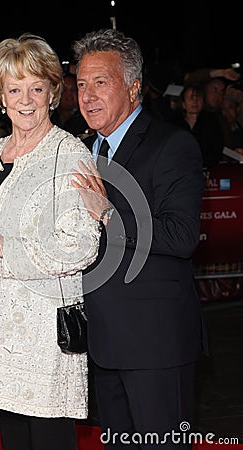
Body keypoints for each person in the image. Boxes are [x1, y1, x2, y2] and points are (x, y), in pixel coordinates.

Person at [0, 33, 101, 450]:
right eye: (15, 89)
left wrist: (3, 246)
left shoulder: (68, 155)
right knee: (12, 441)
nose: (26, 99)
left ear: (52, 92)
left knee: (49, 440)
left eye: (36, 87)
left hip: (43, 338)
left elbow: (82, 245)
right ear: (0, 95)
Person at [70, 29, 208, 449]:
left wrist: (109, 213)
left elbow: (181, 236)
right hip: (102, 342)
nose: (87, 95)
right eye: (80, 84)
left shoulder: (172, 145)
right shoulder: (81, 152)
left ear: (133, 87)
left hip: (155, 345)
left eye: (100, 82)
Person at [170, 84, 224, 168]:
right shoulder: (174, 124)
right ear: (183, 103)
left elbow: (216, 149)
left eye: (198, 98)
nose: (195, 101)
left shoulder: (211, 122)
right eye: (191, 98)